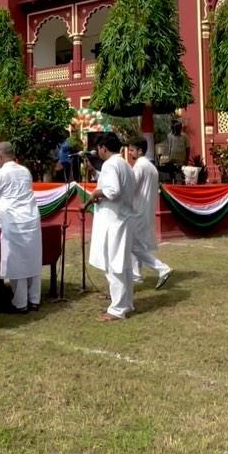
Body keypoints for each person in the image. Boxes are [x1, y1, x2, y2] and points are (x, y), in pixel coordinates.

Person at [87, 131, 137, 321]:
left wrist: (96, 193)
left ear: (103, 148)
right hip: (122, 218)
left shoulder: (110, 165)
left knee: (113, 264)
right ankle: (126, 303)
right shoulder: (125, 164)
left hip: (114, 221)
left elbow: (113, 191)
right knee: (122, 265)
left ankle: (117, 308)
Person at [0, 142, 42, 313]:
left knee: (17, 261)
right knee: (33, 259)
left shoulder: (0, 174)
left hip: (14, 220)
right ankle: (34, 299)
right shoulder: (25, 171)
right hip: (31, 218)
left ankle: (20, 303)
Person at [127, 139, 171, 288]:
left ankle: (162, 268)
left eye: (132, 150)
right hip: (146, 210)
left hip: (138, 210)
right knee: (137, 245)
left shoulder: (139, 165)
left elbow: (131, 186)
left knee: (133, 246)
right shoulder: (151, 167)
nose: (129, 153)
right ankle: (136, 275)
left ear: (140, 151)